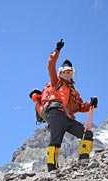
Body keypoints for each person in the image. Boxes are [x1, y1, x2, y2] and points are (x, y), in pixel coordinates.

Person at [42, 38, 98, 172]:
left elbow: (79, 106)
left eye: (70, 72)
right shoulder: (56, 82)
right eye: (65, 72)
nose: (67, 75)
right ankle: (52, 169)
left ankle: (83, 160)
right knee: (56, 141)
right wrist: (57, 50)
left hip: (68, 118)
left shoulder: (74, 91)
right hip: (56, 113)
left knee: (87, 134)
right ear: (60, 72)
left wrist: (91, 104)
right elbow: (51, 65)